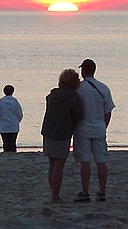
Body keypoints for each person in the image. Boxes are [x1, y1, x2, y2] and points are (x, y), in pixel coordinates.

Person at [73, 59, 115, 202]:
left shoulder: (79, 88)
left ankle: (85, 192)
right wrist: (104, 126)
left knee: (85, 161)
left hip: (83, 128)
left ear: (83, 71)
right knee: (101, 161)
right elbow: (108, 111)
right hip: (99, 127)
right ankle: (102, 192)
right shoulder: (103, 88)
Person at [42, 69, 84, 203]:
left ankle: (54, 193)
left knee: (52, 164)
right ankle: (55, 196)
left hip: (48, 130)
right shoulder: (73, 97)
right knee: (59, 165)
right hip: (62, 132)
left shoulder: (52, 95)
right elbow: (78, 116)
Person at [0, 85, 23, 152]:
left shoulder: (1, 101)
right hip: (14, 125)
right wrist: (17, 121)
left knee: (5, 143)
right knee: (13, 143)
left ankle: (6, 153)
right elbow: (20, 114)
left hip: (3, 125)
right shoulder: (15, 101)